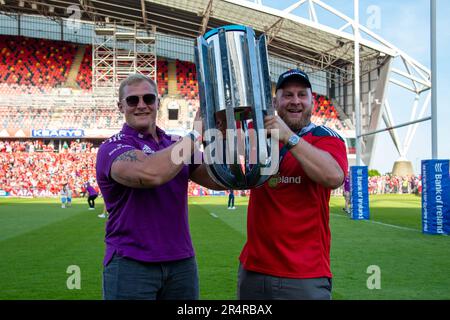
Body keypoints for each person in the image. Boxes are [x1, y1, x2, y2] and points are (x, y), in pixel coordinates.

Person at [96, 73, 223, 300]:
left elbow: (218, 180)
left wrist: (222, 133)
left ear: (158, 103)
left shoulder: (175, 143)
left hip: (181, 263)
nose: (142, 105)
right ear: (120, 107)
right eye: (133, 100)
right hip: (131, 262)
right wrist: (194, 134)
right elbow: (151, 173)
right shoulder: (112, 147)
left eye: (148, 99)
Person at [237, 69, 348, 300]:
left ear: (312, 102)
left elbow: (334, 177)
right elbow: (221, 156)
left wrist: (288, 137)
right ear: (276, 102)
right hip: (254, 270)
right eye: (287, 95)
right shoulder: (255, 133)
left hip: (305, 275)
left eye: (301, 95)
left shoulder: (326, 136)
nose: (295, 101)